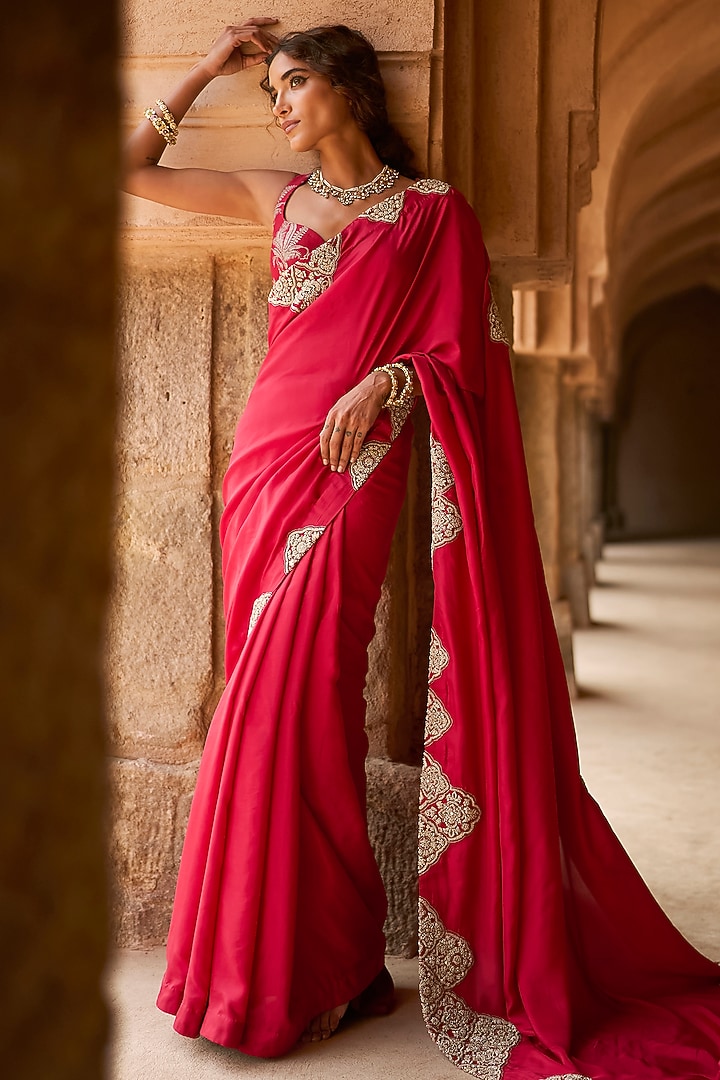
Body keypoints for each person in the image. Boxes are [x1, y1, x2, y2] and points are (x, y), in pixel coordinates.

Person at [122, 17, 720, 1078]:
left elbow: (456, 358)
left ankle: (303, 968)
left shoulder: (434, 214)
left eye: (296, 84)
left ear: (352, 89)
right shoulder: (278, 197)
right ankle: (327, 964)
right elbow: (122, 173)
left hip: (355, 470)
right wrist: (212, 66)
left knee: (301, 701)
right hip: (263, 469)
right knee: (270, 706)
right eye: (276, 90)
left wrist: (390, 377)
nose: (281, 106)